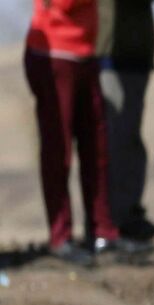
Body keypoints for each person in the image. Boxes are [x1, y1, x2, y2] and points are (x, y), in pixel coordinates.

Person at [25, 0, 123, 265]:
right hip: (54, 53)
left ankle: (102, 231)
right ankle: (60, 237)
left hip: (86, 52)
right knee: (59, 149)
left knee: (96, 146)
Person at [100, 0, 154, 244]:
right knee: (114, 137)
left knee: (129, 137)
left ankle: (128, 214)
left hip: (136, 51)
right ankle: (109, 221)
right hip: (106, 53)